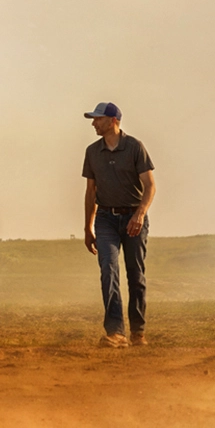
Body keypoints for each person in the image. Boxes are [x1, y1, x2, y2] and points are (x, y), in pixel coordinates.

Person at [81, 101, 155, 348]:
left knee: (135, 274)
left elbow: (150, 186)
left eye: (98, 119)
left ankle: (138, 331)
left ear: (112, 120)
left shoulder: (134, 147)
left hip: (134, 217)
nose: (93, 123)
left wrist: (140, 214)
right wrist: (87, 227)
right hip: (105, 219)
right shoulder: (92, 152)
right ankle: (115, 332)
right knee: (108, 270)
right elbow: (90, 191)